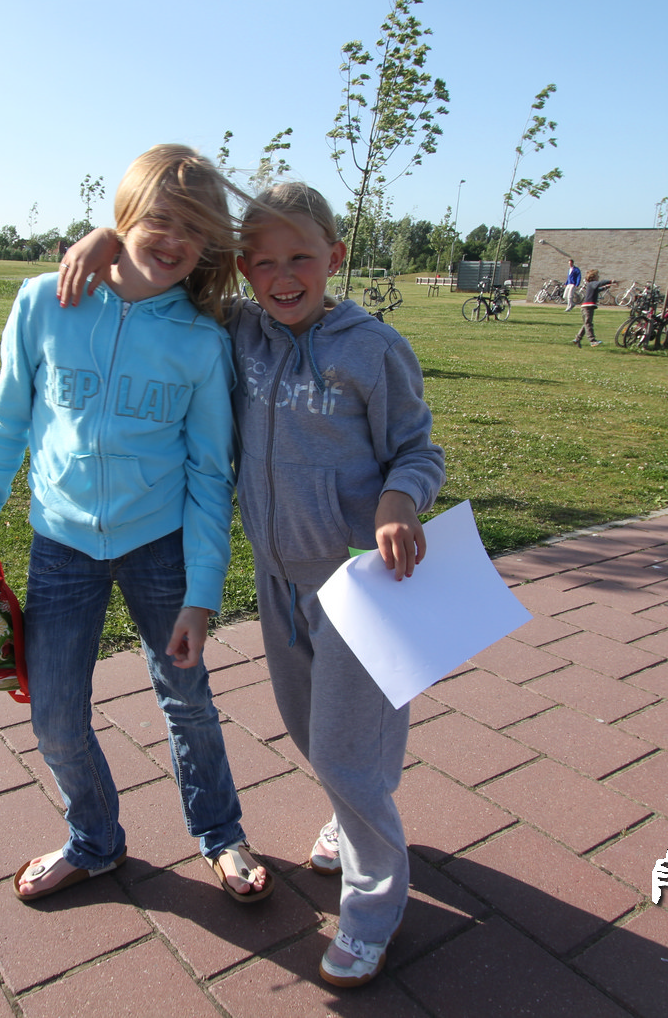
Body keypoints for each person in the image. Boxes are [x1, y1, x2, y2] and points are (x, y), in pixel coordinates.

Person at [60, 182, 445, 989]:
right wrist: (105, 237)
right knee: (311, 734)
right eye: (262, 262)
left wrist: (398, 499)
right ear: (242, 269)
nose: (282, 275)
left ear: (334, 256)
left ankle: (373, 910)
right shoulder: (238, 331)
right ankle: (351, 812)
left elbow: (416, 448)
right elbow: (165, 266)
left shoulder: (372, 348)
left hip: (360, 583)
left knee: (345, 752)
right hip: (277, 581)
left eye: (300, 257)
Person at [0, 144, 272, 905]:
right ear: (123, 215)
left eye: (194, 228)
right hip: (61, 546)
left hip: (160, 548)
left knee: (187, 699)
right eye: (159, 218)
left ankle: (220, 835)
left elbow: (209, 474)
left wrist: (201, 594)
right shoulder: (43, 302)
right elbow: (4, 421)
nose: (174, 240)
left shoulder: (201, 339)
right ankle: (94, 840)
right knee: (54, 717)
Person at [574, 272, 615, 346]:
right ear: (592, 278)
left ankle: (577, 339)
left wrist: (606, 287)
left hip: (588, 307)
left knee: (586, 324)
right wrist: (610, 281)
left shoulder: (591, 285)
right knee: (588, 324)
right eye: (597, 276)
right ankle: (592, 340)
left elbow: (597, 289)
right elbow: (600, 283)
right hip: (587, 307)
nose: (598, 277)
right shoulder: (592, 283)